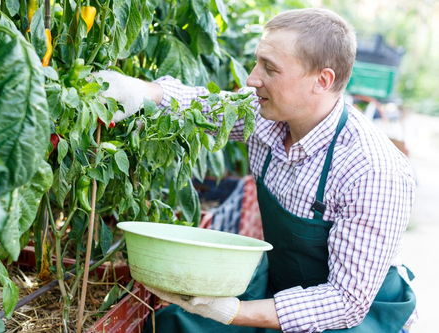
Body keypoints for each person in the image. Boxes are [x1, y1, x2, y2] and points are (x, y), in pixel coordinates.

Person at [94, 8, 416, 333]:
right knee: (172, 324)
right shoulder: (266, 115)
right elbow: (208, 108)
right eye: (258, 61)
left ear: (322, 80)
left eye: (270, 69)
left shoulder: (372, 170)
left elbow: (345, 303)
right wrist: (141, 91)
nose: (252, 78)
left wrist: (231, 311)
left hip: (357, 319)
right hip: (284, 287)